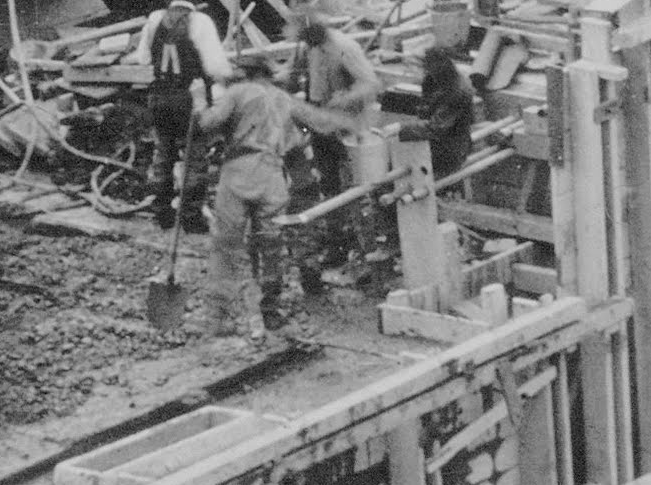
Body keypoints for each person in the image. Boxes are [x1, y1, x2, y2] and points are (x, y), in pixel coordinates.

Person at [194, 50, 304, 341]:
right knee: (270, 244)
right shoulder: (283, 98)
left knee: (227, 243)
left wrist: (197, 101)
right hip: (272, 174)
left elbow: (207, 124)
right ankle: (270, 312)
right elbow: (295, 141)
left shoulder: (239, 92)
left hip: (240, 171)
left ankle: (217, 319)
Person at [129, 0, 232, 234]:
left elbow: (141, 58)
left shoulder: (155, 19)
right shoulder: (201, 23)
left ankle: (161, 212)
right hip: (190, 98)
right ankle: (190, 217)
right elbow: (216, 68)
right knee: (195, 156)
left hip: (160, 96)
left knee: (163, 153)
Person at [296, 17, 382, 195]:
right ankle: (332, 207)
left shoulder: (344, 48)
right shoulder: (308, 47)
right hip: (320, 119)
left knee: (352, 173)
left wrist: (346, 98)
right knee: (326, 170)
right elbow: (295, 73)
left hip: (346, 121)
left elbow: (370, 83)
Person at [398, 47, 476, 177]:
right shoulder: (432, 81)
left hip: (451, 152)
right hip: (438, 141)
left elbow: (435, 129)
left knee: (395, 152)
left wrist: (401, 129)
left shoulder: (457, 92)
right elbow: (425, 112)